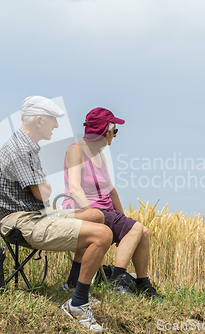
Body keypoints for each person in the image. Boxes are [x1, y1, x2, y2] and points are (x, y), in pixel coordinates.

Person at [0, 96, 111, 333]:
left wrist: (44, 184)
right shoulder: (19, 150)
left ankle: (71, 285)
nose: (56, 126)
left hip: (37, 214)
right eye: (53, 121)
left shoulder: (27, 146)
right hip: (21, 220)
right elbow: (42, 192)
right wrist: (44, 185)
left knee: (96, 216)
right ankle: (78, 304)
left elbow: (44, 190)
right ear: (39, 120)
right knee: (103, 235)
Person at [61, 107, 160, 299]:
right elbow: (74, 187)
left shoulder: (100, 154)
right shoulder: (76, 150)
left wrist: (123, 219)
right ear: (104, 131)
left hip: (105, 211)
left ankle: (142, 284)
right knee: (136, 229)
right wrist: (91, 213)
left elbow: (111, 190)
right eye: (114, 131)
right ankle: (118, 281)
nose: (115, 136)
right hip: (86, 209)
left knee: (142, 231)